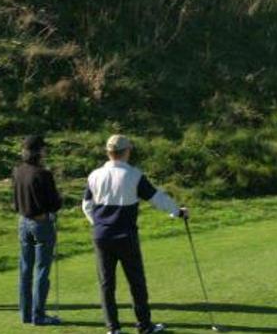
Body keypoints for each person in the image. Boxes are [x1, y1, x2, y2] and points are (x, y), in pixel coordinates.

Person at [82, 134, 188, 334]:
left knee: (106, 283)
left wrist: (98, 224)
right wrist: (178, 212)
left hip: (101, 236)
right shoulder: (133, 175)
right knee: (136, 281)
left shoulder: (94, 175)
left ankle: (113, 328)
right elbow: (157, 198)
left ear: (108, 152)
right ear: (127, 151)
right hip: (126, 236)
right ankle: (144, 325)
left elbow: (86, 205)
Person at [13, 135, 63, 326]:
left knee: (25, 269)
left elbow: (15, 202)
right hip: (41, 223)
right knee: (42, 269)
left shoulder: (18, 171)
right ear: (39, 151)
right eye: (43, 149)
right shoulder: (43, 174)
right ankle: (38, 315)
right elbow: (54, 204)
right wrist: (60, 199)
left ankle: (26, 313)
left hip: (23, 221)